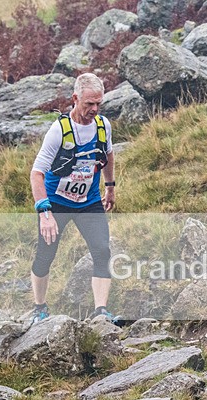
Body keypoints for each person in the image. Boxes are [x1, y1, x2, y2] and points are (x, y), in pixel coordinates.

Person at [28, 73, 118, 324]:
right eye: (89, 103)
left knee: (102, 251)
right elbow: (36, 173)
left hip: (89, 201)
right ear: (75, 98)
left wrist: (110, 187)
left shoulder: (103, 125)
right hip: (56, 202)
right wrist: (45, 213)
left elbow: (109, 154)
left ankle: (101, 312)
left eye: (99, 103)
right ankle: (39, 308)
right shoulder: (59, 131)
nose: (95, 109)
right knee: (45, 255)